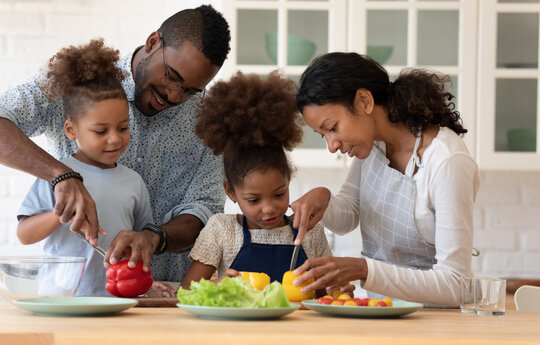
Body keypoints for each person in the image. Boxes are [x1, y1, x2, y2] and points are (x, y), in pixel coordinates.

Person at [0, 5, 231, 284]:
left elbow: (204, 210)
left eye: (192, 90)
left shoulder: (209, 120)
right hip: (73, 295)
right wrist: (60, 174)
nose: (174, 96)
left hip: (165, 294)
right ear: (152, 42)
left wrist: (153, 238)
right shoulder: (77, 82)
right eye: (171, 76)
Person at [290, 52, 480, 307]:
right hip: (383, 312)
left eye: (332, 127)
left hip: (437, 322)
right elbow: (350, 215)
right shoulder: (372, 146)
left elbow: (455, 284)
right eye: (322, 134)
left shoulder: (447, 162)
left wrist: (364, 270)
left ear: (364, 101)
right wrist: (323, 197)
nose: (332, 146)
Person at [16, 39, 154, 296]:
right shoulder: (57, 177)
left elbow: (143, 236)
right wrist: (59, 214)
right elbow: (24, 234)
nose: (115, 138)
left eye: (123, 127)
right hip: (60, 299)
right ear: (71, 130)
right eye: (101, 130)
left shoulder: (133, 181)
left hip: (116, 300)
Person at [180, 71, 333, 290]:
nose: (269, 209)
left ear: (288, 180)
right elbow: (185, 292)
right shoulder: (222, 230)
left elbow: (328, 290)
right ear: (230, 192)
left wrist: (338, 290)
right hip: (237, 326)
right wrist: (216, 285)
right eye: (254, 200)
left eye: (279, 194)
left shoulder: (310, 233)